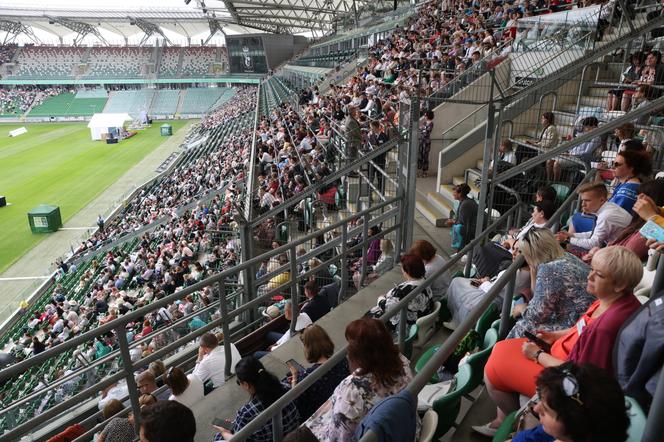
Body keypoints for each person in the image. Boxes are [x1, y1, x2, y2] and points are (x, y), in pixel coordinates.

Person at [473, 246, 642, 436]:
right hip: (559, 356)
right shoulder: (611, 299)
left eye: (599, 274)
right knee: (501, 349)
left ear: (619, 285)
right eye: (591, 269)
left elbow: (580, 375)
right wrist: (556, 335)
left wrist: (537, 355)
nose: (590, 276)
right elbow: (581, 326)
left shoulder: (606, 328)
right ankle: (504, 420)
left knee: (492, 369)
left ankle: (508, 423)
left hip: (564, 376)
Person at [305, 318, 414, 442]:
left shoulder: (352, 389)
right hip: (407, 429)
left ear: (358, 353)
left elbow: (338, 438)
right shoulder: (401, 361)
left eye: (351, 345)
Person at [507, 228, 594, 339]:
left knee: (522, 327)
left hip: (576, 325)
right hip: (585, 318)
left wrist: (522, 308)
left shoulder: (549, 269)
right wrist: (534, 272)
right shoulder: (567, 257)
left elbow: (536, 316)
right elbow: (540, 299)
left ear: (532, 253)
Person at [511, 363, 631, 442]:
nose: (536, 409)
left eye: (547, 411)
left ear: (578, 426)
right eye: (540, 400)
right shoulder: (557, 432)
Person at [213, 356, 300, 442]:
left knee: (218, 438)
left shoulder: (246, 413)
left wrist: (224, 432)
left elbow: (236, 440)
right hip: (292, 436)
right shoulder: (285, 388)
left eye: (239, 382)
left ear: (246, 384)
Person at [446, 244, 530, 329]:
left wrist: (484, 282)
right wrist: (487, 281)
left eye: (519, 251)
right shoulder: (531, 273)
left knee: (456, 282)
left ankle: (457, 322)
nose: (514, 253)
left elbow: (491, 290)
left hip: (489, 299)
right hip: (498, 300)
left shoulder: (515, 274)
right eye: (514, 249)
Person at [285, 325, 349, 420]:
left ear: (308, 347)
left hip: (320, 417)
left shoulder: (307, 376)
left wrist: (294, 377)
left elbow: (296, 402)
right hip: (342, 405)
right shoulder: (342, 360)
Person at [555, 182, 632, 253]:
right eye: (582, 201)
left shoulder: (606, 216)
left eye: (587, 200)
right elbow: (594, 233)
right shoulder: (608, 207)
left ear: (601, 200)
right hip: (619, 248)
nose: (583, 204)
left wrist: (567, 239)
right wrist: (572, 235)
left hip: (621, 252)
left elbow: (594, 244)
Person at [374, 254, 434, 331]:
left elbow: (388, 308)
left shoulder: (403, 291)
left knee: (368, 321)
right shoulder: (425, 280)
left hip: (406, 325)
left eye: (402, 268)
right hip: (421, 317)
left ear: (407, 271)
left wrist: (380, 298)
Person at [608, 149, 652, 213]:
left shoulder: (627, 190)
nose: (613, 167)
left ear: (631, 168)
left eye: (617, 164)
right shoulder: (626, 184)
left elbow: (612, 215)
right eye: (613, 163)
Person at [445, 183, 478, 251]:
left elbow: (463, 223)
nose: (453, 193)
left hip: (474, 229)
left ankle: (460, 250)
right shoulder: (465, 201)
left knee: (458, 227)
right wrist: (453, 221)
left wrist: (452, 222)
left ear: (460, 194)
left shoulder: (465, 204)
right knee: (456, 226)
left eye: (454, 192)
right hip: (471, 225)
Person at [418, 110, 434, 177]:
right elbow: (421, 129)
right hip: (422, 140)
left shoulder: (431, 123)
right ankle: (419, 171)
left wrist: (422, 129)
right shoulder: (425, 123)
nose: (424, 116)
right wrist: (423, 129)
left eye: (425, 115)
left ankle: (425, 172)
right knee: (420, 155)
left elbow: (426, 132)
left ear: (428, 116)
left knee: (425, 156)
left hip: (426, 142)